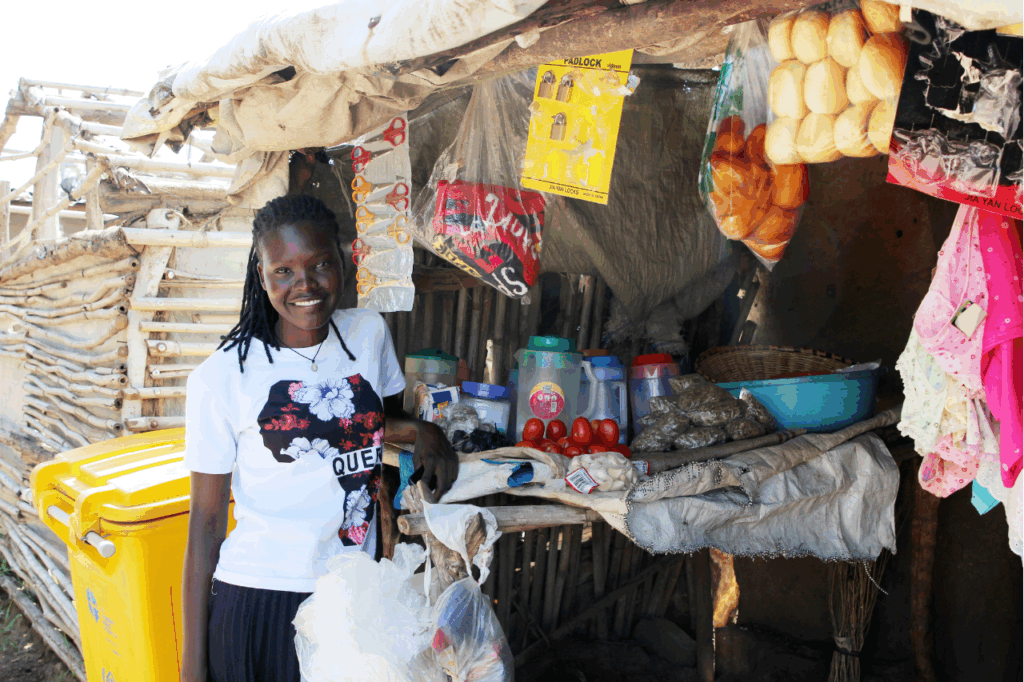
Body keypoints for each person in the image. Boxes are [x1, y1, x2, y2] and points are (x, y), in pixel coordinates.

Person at [180, 194, 458, 682]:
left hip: (353, 596)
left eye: (320, 264)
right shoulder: (221, 376)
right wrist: (191, 668)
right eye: (283, 271)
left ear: (344, 261)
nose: (304, 285)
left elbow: (363, 420)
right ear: (260, 274)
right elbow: (204, 529)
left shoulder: (367, 336)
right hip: (258, 598)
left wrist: (421, 429)